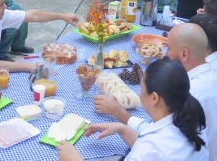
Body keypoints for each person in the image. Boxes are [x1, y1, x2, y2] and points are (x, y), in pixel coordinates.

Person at [93, 23, 217, 160]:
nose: (164, 54)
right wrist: (122, 128)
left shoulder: (193, 92)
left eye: (168, 48)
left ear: (184, 53)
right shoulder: (204, 82)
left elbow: (159, 143)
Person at [58, 60, 208, 160]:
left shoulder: (148, 150)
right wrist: (122, 129)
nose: (139, 92)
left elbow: (152, 150)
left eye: (142, 88)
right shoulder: (193, 123)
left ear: (154, 98)